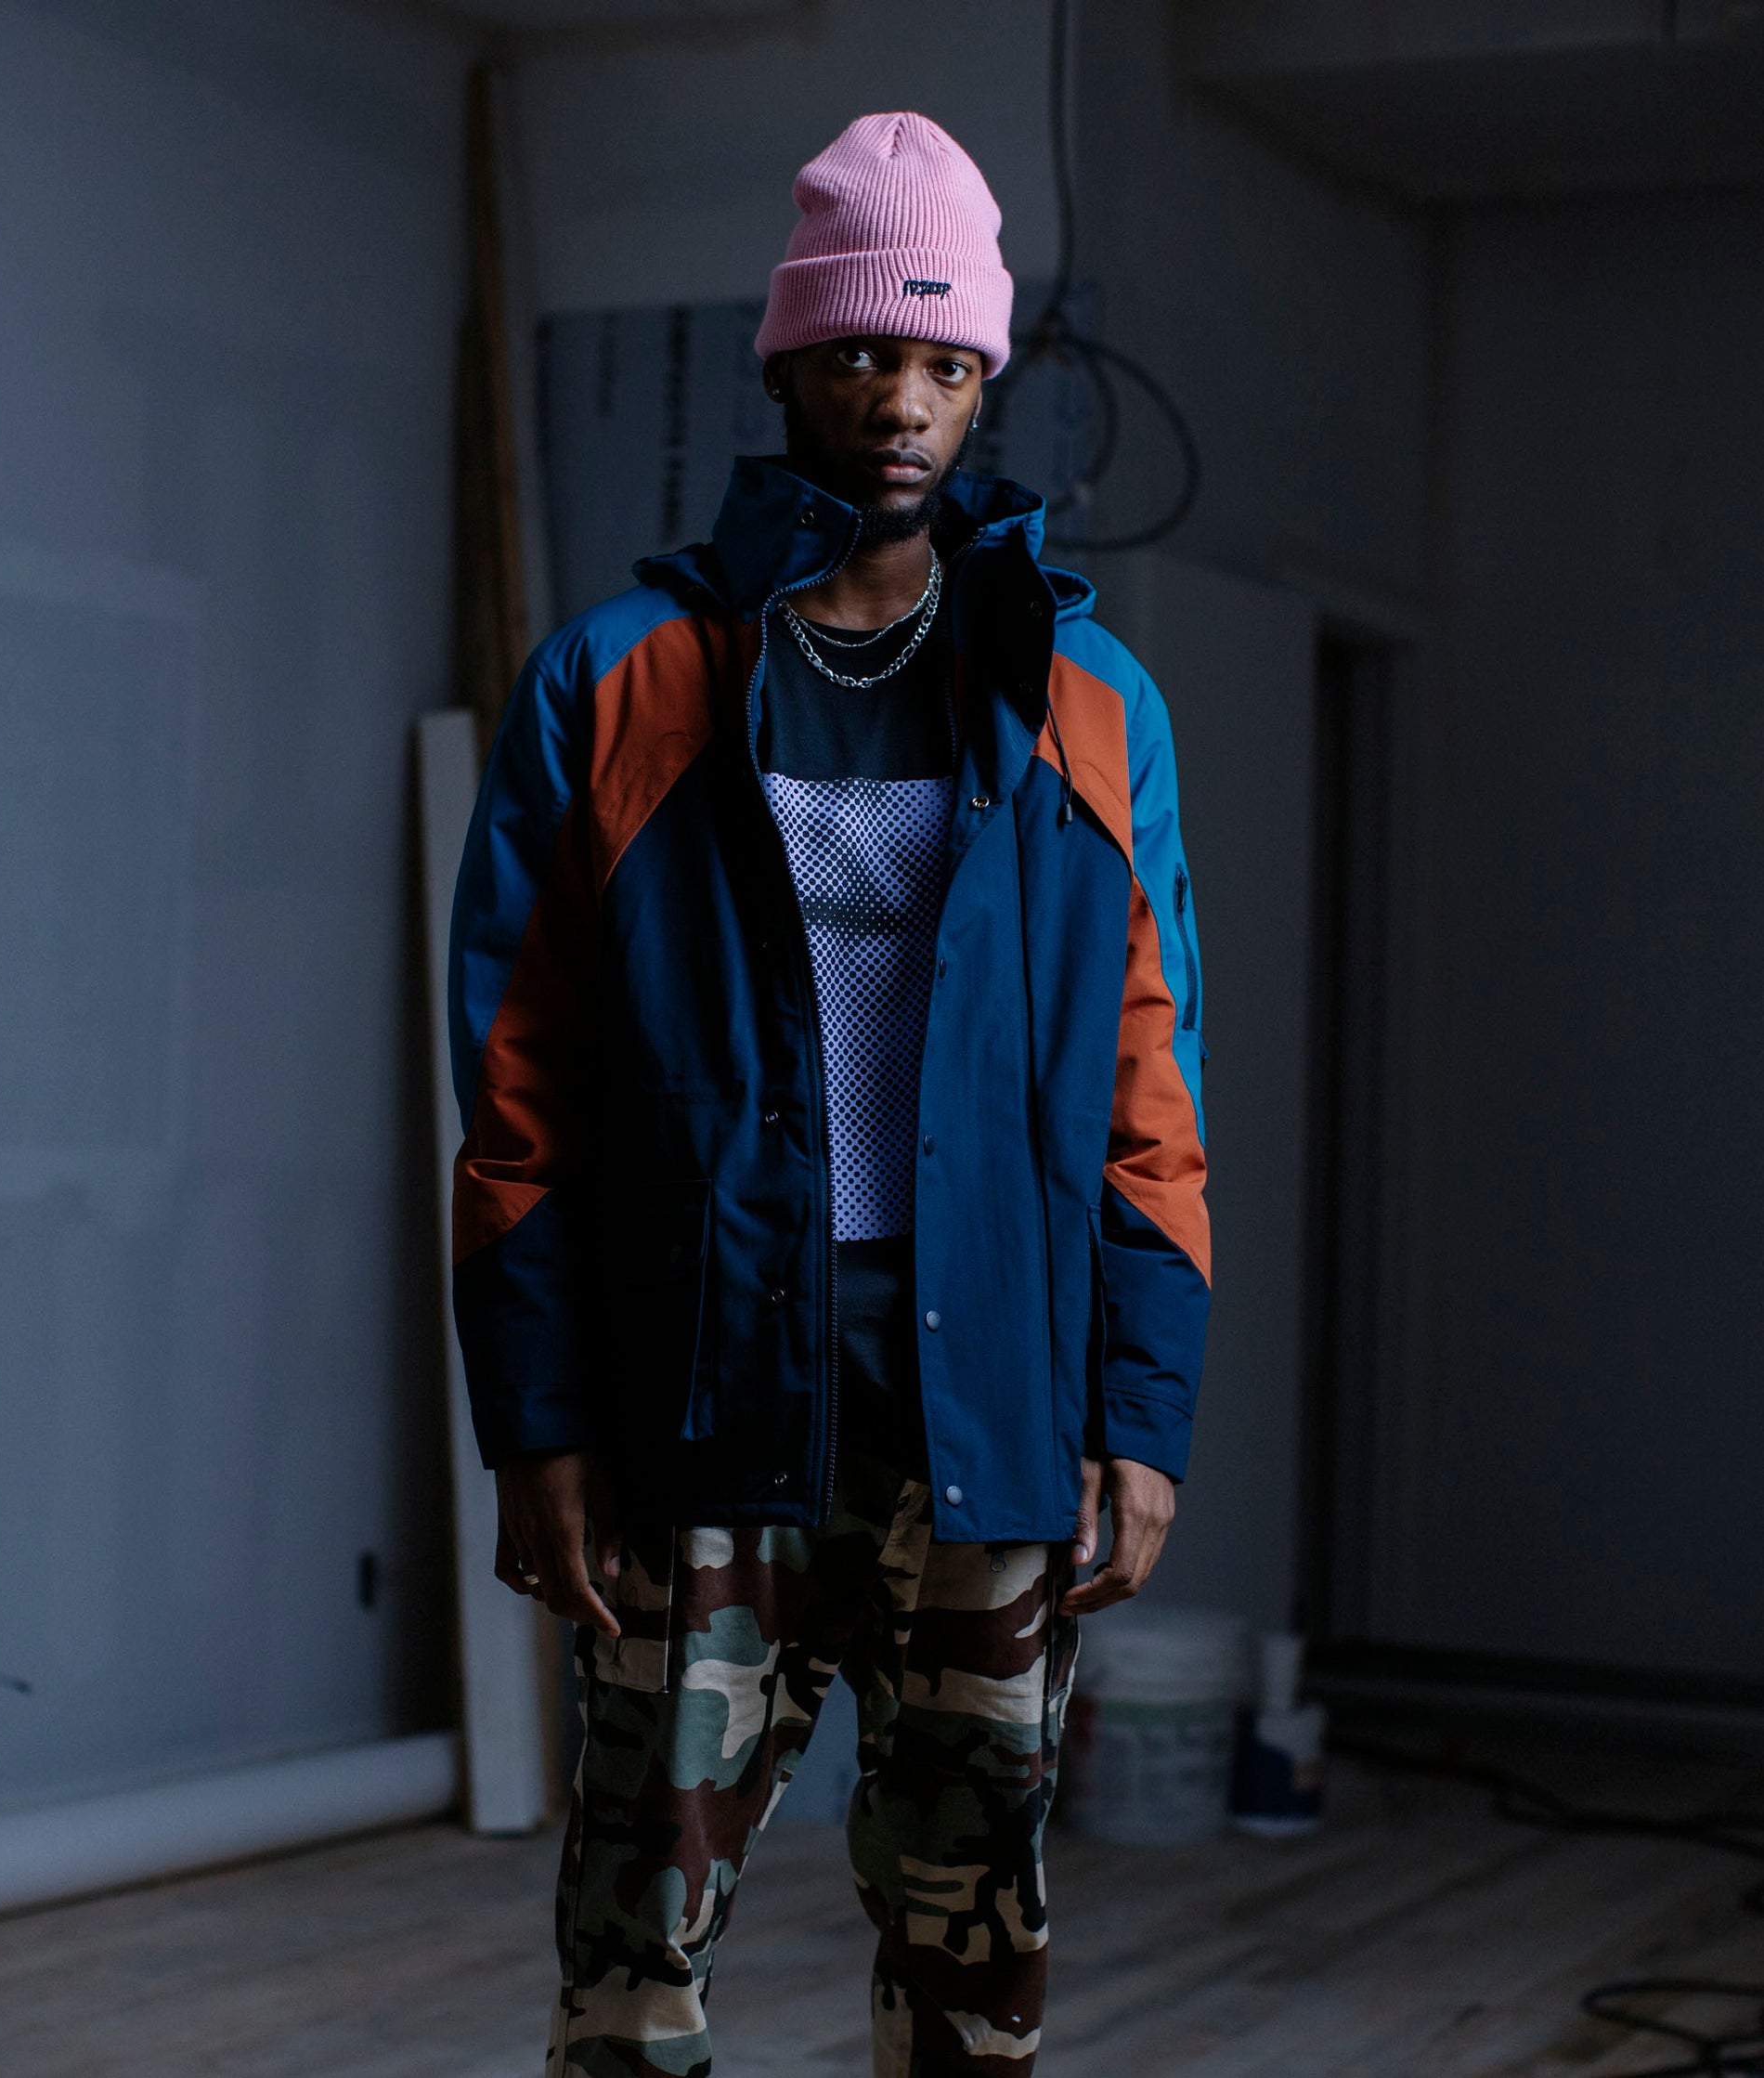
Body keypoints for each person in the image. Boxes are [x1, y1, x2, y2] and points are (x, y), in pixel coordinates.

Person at [448, 110, 1210, 2078]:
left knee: (974, 1948)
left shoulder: (1084, 698)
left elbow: (1150, 1073)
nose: (902, 401)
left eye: (947, 361)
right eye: (865, 350)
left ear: (986, 385)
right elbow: (518, 1078)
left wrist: (1138, 1411)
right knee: (634, 1950)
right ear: (788, 362)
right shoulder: (622, 678)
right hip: (703, 1394)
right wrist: (539, 1418)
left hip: (986, 1400)